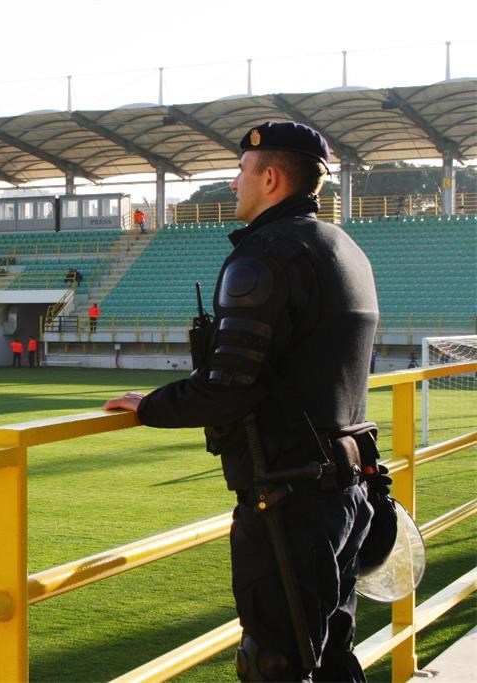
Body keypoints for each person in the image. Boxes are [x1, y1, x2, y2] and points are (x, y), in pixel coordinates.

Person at [104, 122, 380, 682]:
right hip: (349, 486)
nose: (233, 184)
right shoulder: (344, 247)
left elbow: (229, 385)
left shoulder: (266, 256)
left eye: (241, 171)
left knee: (274, 664)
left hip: (288, 498)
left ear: (272, 177)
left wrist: (148, 406)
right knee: (330, 659)